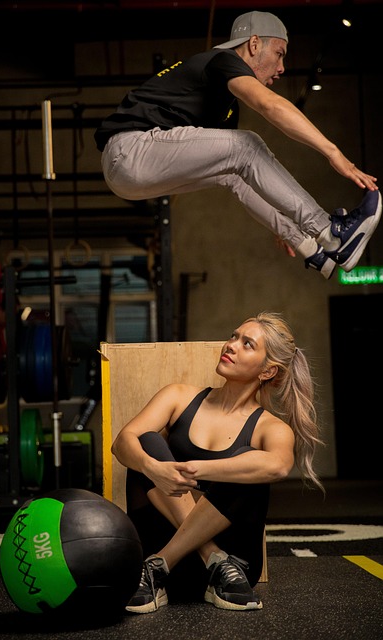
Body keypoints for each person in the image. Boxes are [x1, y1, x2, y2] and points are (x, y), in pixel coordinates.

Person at [95, 10, 381, 280]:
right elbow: (270, 105)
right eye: (279, 54)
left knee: (234, 173)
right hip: (130, 149)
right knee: (247, 145)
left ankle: (311, 248)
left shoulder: (226, 107)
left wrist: (281, 223)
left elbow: (248, 177)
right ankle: (331, 233)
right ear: (254, 44)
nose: (282, 68)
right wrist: (333, 152)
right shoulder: (223, 59)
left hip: (129, 178)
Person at [112, 311, 324, 613]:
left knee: (249, 463)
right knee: (145, 444)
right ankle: (208, 557)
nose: (231, 345)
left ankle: (165, 563)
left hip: (234, 573)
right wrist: (154, 469)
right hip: (176, 565)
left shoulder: (270, 428)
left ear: (267, 371)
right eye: (234, 336)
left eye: (247, 344)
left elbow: (277, 466)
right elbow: (121, 443)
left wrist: (194, 469)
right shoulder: (178, 397)